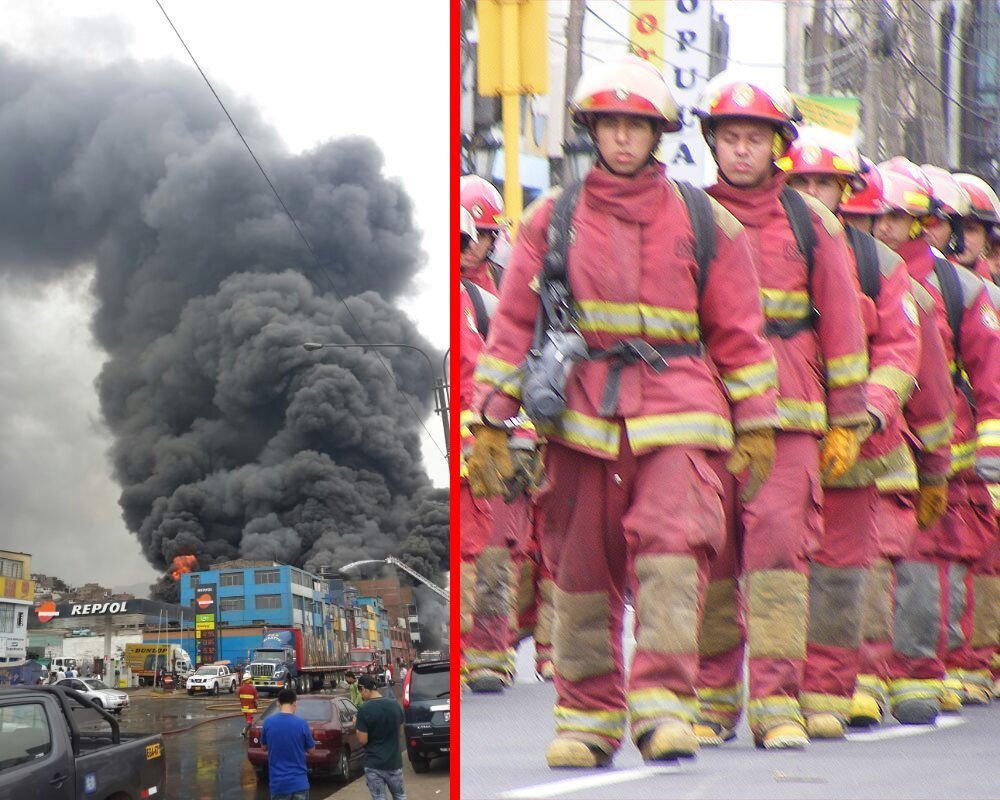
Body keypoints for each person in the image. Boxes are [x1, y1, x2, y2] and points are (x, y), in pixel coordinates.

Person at [471, 55, 780, 768]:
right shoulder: (553, 217)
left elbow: (739, 330)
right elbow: (514, 324)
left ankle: (665, 708)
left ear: (657, 134)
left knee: (673, 556)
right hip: (579, 416)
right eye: (608, 125)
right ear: (590, 131)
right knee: (581, 568)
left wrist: (758, 419)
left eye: (633, 126)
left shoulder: (707, 220)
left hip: (681, 408)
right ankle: (586, 718)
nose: (619, 138)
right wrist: (490, 417)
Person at [692, 73, 870, 750]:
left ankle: (775, 703)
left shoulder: (812, 222)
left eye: (754, 139)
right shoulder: (692, 214)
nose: (741, 151)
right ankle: (711, 702)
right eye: (730, 138)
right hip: (709, 415)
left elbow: (846, 328)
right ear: (712, 143)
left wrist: (848, 419)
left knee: (775, 559)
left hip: (793, 419)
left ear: (778, 148)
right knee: (712, 558)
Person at [779, 126, 922, 738]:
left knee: (839, 572)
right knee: (768, 567)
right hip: (776, 435)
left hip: (853, 447)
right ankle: (749, 693)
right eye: (803, 181)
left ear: (847, 191)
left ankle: (828, 691)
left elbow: (899, 349)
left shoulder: (879, 265)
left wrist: (868, 412)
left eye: (825, 183)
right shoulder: (755, 244)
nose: (813, 193)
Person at [356, 674, 407, 800]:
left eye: (360, 692)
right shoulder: (395, 705)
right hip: (394, 763)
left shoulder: (363, 710)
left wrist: (356, 727)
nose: (361, 696)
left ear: (364, 689)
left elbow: (363, 740)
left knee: (379, 798)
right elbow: (400, 732)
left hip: (374, 765)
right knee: (400, 796)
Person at [260, 688, 314, 800]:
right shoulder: (302, 724)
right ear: (294, 703)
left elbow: (263, 747)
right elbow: (312, 751)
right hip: (299, 783)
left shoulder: (268, 723)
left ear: (278, 703)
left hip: (278, 784)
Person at [238, 671, 259, 738]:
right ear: (249, 680)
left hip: (244, 709)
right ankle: (244, 731)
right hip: (250, 708)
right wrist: (256, 706)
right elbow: (256, 700)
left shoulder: (240, 688)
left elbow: (239, 696)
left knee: (249, 721)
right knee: (249, 722)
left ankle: (248, 735)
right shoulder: (253, 688)